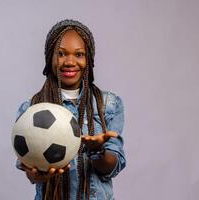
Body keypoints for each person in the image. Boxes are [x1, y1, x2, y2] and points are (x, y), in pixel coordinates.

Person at [15, 19, 126, 200]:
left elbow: (111, 168)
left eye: (79, 54)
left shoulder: (108, 104)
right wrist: (39, 174)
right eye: (61, 53)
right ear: (49, 57)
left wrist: (98, 152)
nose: (70, 61)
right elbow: (30, 172)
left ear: (88, 59)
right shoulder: (31, 109)